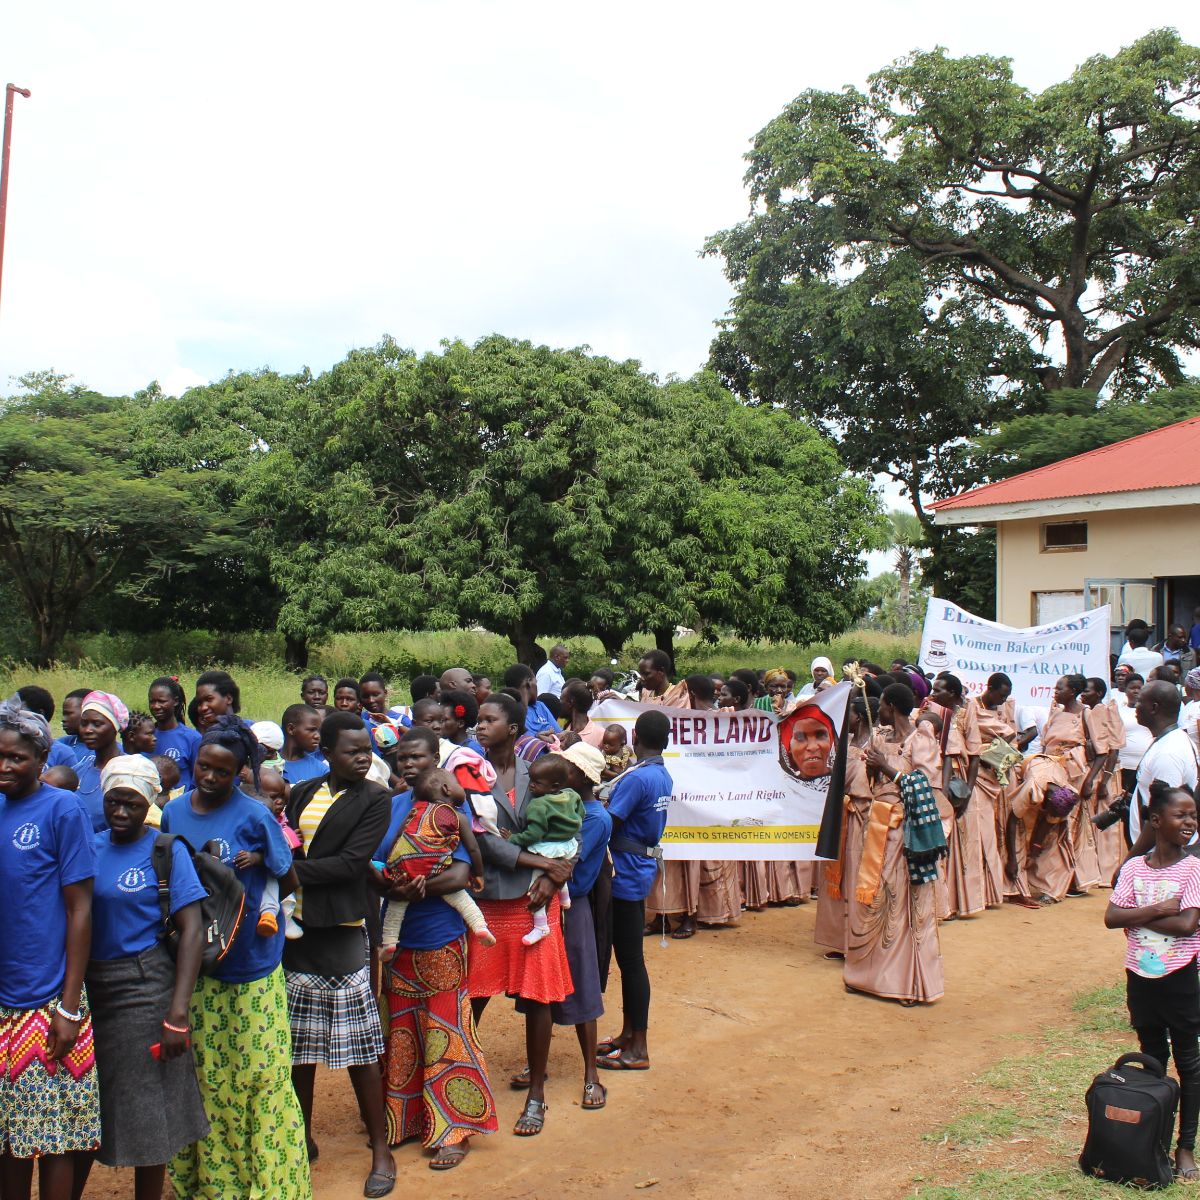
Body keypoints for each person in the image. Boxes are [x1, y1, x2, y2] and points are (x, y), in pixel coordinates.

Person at [159, 715, 310, 1200]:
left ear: (240, 771)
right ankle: (214, 1186)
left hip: (251, 964)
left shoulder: (255, 814)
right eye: (203, 766)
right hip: (198, 969)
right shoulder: (174, 813)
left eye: (221, 772)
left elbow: (288, 879)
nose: (208, 777)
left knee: (259, 1080)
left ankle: (271, 1187)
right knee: (209, 1080)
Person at [77, 755, 209, 1200]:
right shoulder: (87, 845)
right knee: (84, 1104)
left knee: (149, 1106)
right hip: (90, 987)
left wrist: (177, 1013)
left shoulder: (166, 851)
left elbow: (192, 930)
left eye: (131, 804)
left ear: (149, 802)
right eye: (113, 802)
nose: (119, 812)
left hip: (144, 985)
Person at [372, 730, 499, 1169]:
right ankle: (404, 1118)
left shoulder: (451, 808)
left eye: (417, 757)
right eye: (401, 758)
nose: (408, 764)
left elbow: (464, 872)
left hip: (441, 932)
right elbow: (375, 862)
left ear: (435, 759)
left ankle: (454, 1128)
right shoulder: (390, 807)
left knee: (446, 1026)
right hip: (398, 940)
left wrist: (416, 890)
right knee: (403, 1028)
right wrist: (391, 883)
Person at [284, 712, 395, 1197]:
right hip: (297, 933)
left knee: (360, 1050)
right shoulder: (302, 791)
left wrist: (290, 872)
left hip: (344, 930)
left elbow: (352, 864)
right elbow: (286, 842)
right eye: (351, 750)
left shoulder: (376, 798)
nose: (363, 756)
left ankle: (380, 1149)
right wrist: (291, 868)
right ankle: (298, 1139)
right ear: (326, 751)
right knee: (297, 1050)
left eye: (366, 749)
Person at [0, 696, 99, 1200]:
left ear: (42, 761)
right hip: (1, 1001)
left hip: (46, 1000)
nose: (4, 766)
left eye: (16, 757)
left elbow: (80, 909)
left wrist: (69, 1005)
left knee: (56, 1136)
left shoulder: (62, 809)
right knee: (8, 1142)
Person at [470, 692, 574, 1137]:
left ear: (513, 728)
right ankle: (462, 1089)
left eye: (489, 720)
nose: (479, 727)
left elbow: (574, 823)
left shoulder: (542, 772)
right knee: (472, 996)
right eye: (478, 720)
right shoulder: (470, 775)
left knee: (537, 999)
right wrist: (541, 863)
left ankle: (536, 1095)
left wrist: (555, 876)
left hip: (536, 898)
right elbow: (481, 839)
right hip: (490, 901)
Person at [1106, 782, 1200, 1183]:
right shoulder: (1133, 868)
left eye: (1193, 815)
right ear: (1156, 821)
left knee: (1189, 1063)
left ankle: (1185, 1146)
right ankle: (1155, 1134)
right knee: (1152, 1059)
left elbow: (1187, 924)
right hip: (1140, 977)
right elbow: (1111, 917)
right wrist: (1159, 906)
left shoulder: (1195, 867)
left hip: (1180, 978)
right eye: (1181, 815)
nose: (1190, 822)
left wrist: (1139, 913)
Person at [514, 741, 612, 1110]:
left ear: (577, 777)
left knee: (582, 989)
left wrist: (548, 880)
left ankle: (592, 1075)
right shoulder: (560, 803)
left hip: (574, 908)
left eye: (565, 768)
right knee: (540, 989)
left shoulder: (595, 816)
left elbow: (570, 861)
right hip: (549, 904)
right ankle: (537, 1064)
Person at [845, 682, 945, 1005]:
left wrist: (885, 767)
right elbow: (873, 782)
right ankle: (869, 975)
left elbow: (926, 784)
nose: (881, 713)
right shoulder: (880, 738)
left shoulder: (921, 738)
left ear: (889, 705)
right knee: (877, 897)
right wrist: (873, 767)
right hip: (878, 828)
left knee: (904, 899)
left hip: (906, 830)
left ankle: (907, 982)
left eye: (884, 707)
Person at [597, 709, 673, 1070]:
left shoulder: (637, 780)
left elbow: (608, 822)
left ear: (634, 739)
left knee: (630, 961)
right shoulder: (660, 775)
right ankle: (628, 1034)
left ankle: (638, 1047)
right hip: (639, 868)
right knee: (630, 961)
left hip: (625, 874)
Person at [376, 767, 494, 955]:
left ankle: (389, 941)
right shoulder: (457, 816)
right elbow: (473, 848)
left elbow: (400, 834)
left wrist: (395, 862)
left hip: (404, 867)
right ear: (447, 789)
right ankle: (480, 927)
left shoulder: (414, 811)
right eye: (458, 784)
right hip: (434, 869)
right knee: (460, 898)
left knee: (396, 906)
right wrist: (478, 874)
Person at [1008, 675, 1100, 904]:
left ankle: (1060, 884)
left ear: (1073, 691)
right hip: (1048, 768)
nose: (1055, 691)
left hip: (1074, 772)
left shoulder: (1085, 714)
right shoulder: (1056, 712)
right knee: (1043, 823)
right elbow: (1046, 742)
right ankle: (1038, 877)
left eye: (1060, 688)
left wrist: (1090, 781)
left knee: (1061, 827)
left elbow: (1102, 751)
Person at [814, 696, 876, 956]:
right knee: (840, 876)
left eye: (848, 714)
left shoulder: (876, 745)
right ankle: (841, 940)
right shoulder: (846, 744)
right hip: (843, 816)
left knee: (860, 878)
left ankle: (861, 940)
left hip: (866, 818)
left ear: (859, 717)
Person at [504, 755, 585, 946]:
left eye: (536, 782)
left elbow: (533, 834)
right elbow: (581, 813)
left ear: (554, 786)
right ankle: (565, 898)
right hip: (567, 845)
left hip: (547, 848)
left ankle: (540, 925)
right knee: (559, 868)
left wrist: (512, 838)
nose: (531, 785)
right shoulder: (572, 796)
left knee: (536, 885)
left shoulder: (539, 805)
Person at [964, 672, 1027, 909]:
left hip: (999, 774)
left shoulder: (1002, 710)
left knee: (1003, 827)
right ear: (989, 688)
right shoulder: (972, 707)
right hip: (978, 775)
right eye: (1001, 695)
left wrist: (995, 755)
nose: (1003, 700)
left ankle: (1004, 885)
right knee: (983, 832)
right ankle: (983, 890)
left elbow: (1011, 736)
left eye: (1007, 696)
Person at [1126, 682, 1200, 855]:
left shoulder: (1168, 752)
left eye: (1140, 701)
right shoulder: (1170, 740)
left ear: (1153, 707)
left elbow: (1167, 815)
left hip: (1163, 859)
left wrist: (1129, 862)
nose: (1136, 706)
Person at [77, 691, 130, 831]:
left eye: (97, 724)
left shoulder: (130, 772)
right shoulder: (77, 771)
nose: (88, 730)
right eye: (84, 723)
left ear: (115, 727)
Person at [147, 677, 201, 792]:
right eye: (152, 701)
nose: (156, 706)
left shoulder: (192, 739)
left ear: (175, 701)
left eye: (161, 701)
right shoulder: (144, 736)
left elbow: (197, 781)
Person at [502, 665, 560, 738]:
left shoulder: (540, 706)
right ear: (529, 682)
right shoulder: (511, 712)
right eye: (536, 682)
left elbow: (560, 735)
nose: (537, 686)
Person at [280, 703, 327, 785]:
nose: (317, 736)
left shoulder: (322, 771)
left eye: (319, 731)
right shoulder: (267, 765)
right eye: (311, 730)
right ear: (291, 729)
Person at [52, 687, 93, 770]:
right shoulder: (60, 745)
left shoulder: (104, 751)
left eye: (68, 713)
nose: (63, 719)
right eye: (64, 714)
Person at [440, 689, 486, 756]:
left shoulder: (472, 750)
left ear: (460, 723)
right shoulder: (443, 745)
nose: (438, 725)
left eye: (443, 720)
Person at [560, 679, 604, 747]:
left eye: (561, 699)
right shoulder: (561, 729)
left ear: (571, 703)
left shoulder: (601, 735)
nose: (559, 702)